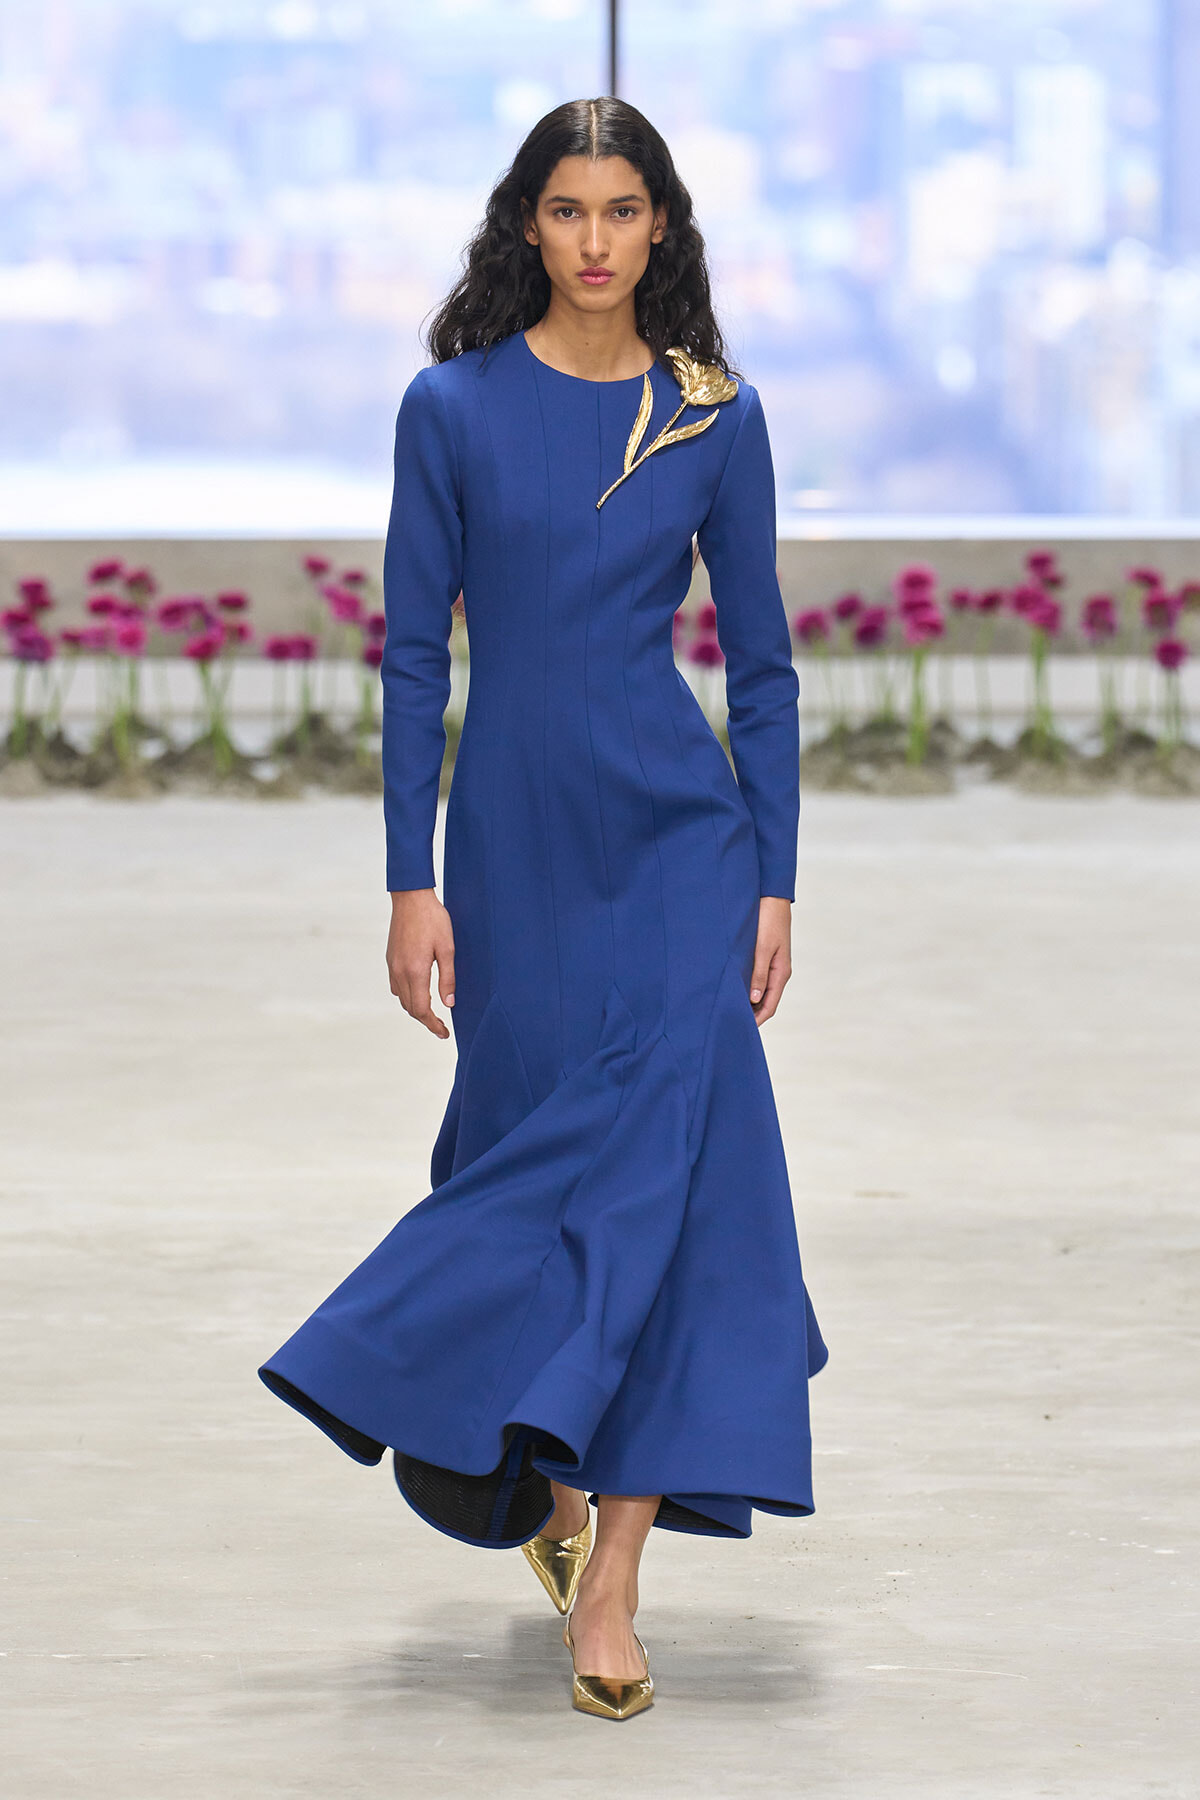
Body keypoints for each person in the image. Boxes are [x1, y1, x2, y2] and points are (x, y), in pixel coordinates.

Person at [259, 94, 828, 1722]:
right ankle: (544, 1485)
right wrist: (405, 877)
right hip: (509, 849)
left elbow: (767, 671)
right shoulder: (449, 409)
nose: (594, 241)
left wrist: (776, 871)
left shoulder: (714, 413)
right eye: (567, 212)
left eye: (623, 213)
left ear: (663, 231)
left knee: (684, 1179)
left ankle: (618, 1582)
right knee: (519, 1167)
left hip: (678, 846)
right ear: (529, 226)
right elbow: (414, 658)